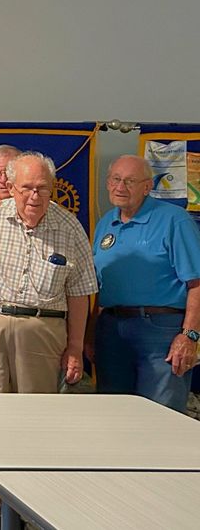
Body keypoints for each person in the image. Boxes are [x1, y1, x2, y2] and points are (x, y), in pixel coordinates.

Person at [0, 152, 97, 530]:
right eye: (26, 188)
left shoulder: (70, 227)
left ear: (53, 189)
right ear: (10, 187)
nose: (34, 196)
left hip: (43, 332)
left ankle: (32, 509)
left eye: (42, 188)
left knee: (38, 425)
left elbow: (80, 294)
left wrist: (75, 348)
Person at [90, 155, 200, 412]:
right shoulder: (106, 223)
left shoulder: (174, 220)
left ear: (147, 187)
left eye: (129, 181)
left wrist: (190, 335)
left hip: (161, 331)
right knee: (112, 413)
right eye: (115, 179)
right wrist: (89, 335)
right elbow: (96, 285)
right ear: (107, 183)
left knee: (162, 415)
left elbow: (197, 283)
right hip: (112, 330)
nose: (120, 187)